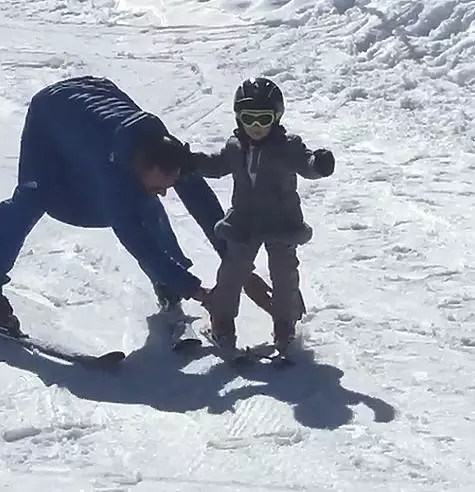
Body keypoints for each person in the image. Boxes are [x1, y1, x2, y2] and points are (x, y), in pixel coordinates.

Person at [0, 75, 271, 336]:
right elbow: (138, 243)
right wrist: (200, 293)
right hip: (51, 111)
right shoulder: (113, 174)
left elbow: (205, 207)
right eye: (158, 187)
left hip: (97, 93)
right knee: (33, 197)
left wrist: (241, 269)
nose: (165, 193)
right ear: (139, 168)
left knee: (145, 201)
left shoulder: (167, 150)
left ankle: (166, 284)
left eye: (167, 185)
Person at [190, 77, 335, 356]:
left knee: (284, 275)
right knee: (232, 273)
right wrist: (190, 161)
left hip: (282, 222)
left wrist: (319, 164)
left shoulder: (288, 146)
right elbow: (216, 165)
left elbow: (306, 164)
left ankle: (284, 326)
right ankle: (222, 322)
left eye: (264, 118)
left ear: (277, 118)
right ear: (238, 117)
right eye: (248, 118)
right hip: (245, 222)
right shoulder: (235, 147)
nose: (256, 127)